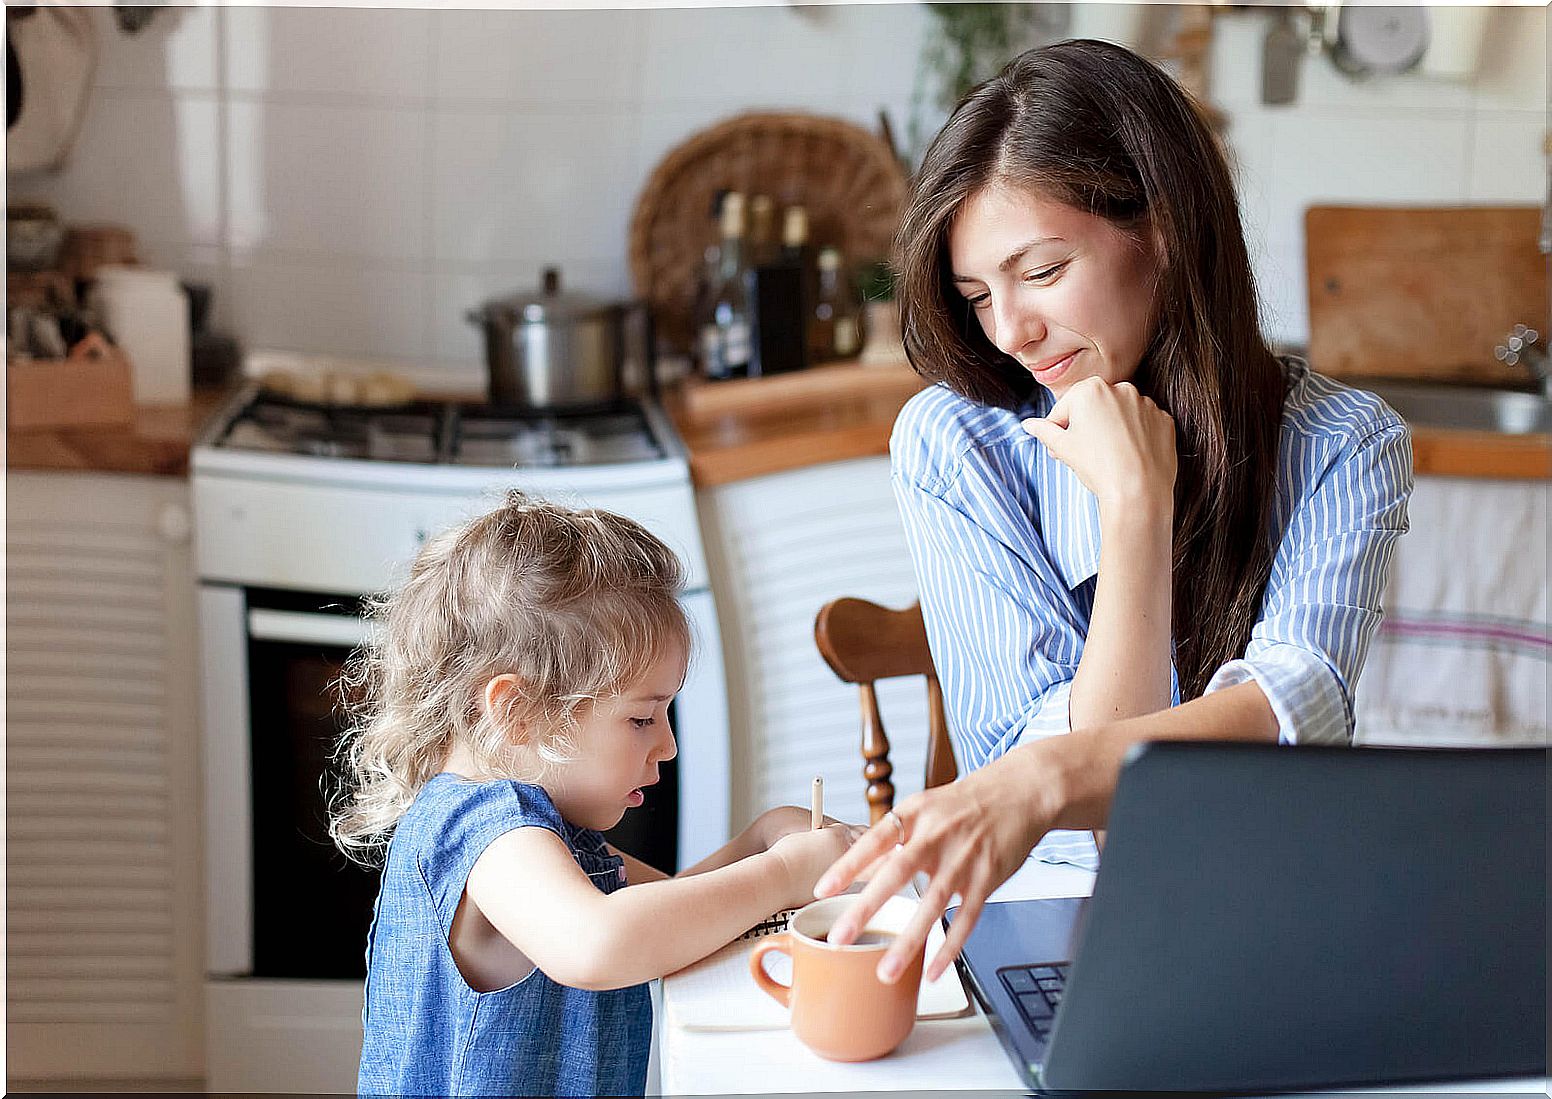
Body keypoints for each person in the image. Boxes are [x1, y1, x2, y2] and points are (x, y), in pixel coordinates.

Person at [815, 39, 1412, 986]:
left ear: (1164, 232)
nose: (1009, 332)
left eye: (1042, 272)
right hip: (1045, 925)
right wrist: (1136, 510)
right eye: (976, 296)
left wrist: (1051, 773)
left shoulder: (1345, 441)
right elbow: (1090, 825)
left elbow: (1287, 711)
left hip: (1260, 914)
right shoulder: (958, 443)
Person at [331, 491, 858, 1097]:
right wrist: (784, 874)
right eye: (642, 719)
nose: (667, 746)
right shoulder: (486, 830)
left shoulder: (553, 832)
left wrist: (762, 841)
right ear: (519, 712)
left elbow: (674, 914)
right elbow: (602, 941)